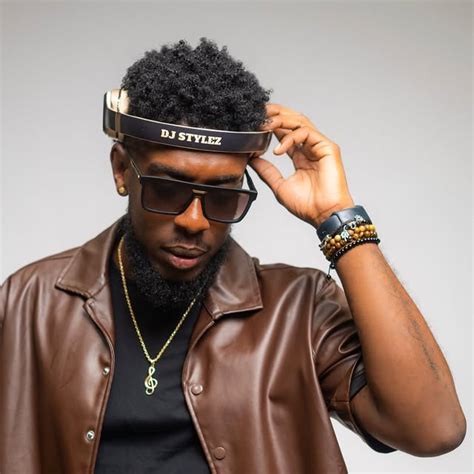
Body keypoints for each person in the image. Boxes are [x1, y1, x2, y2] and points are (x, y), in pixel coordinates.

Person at [0, 38, 466, 474]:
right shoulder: (29, 302)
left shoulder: (298, 310)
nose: (195, 221)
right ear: (122, 170)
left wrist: (338, 218)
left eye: (223, 197)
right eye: (167, 190)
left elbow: (433, 429)